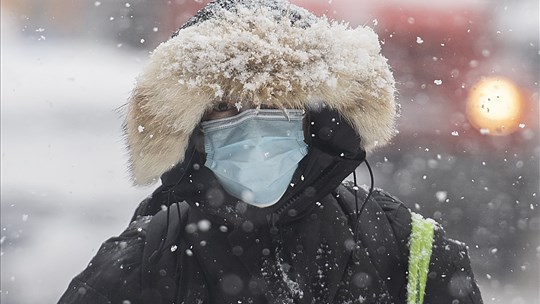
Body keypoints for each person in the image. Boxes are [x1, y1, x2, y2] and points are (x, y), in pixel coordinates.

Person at [58, 0, 484, 303]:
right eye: (226, 106)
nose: (253, 126)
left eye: (278, 103)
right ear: (193, 132)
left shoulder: (409, 252)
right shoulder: (137, 266)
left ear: (317, 119)